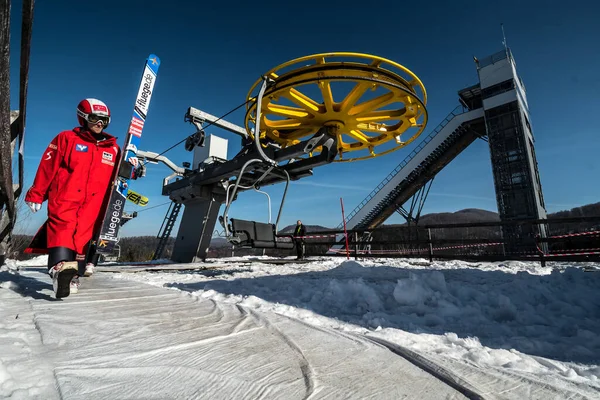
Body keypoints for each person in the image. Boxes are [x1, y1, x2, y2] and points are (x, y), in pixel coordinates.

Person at [24, 98, 139, 298]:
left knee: (82, 237)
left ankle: (72, 275)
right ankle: (59, 269)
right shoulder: (66, 138)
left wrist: (134, 167)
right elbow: (47, 166)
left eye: (104, 120)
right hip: (65, 197)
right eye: (95, 118)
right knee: (62, 228)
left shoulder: (113, 149)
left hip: (94, 204)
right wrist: (37, 192)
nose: (100, 123)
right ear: (83, 118)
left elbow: (121, 176)